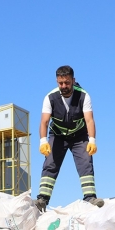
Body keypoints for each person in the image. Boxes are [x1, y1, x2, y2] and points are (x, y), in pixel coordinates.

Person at [36, 65, 104, 212]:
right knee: (50, 163)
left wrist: (92, 140)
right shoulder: (50, 97)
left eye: (67, 82)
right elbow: (44, 121)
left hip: (79, 136)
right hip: (58, 135)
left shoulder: (84, 96)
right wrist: (43, 141)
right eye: (61, 83)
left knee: (86, 162)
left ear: (73, 80)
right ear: (57, 81)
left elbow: (89, 120)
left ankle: (90, 198)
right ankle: (42, 199)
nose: (64, 86)